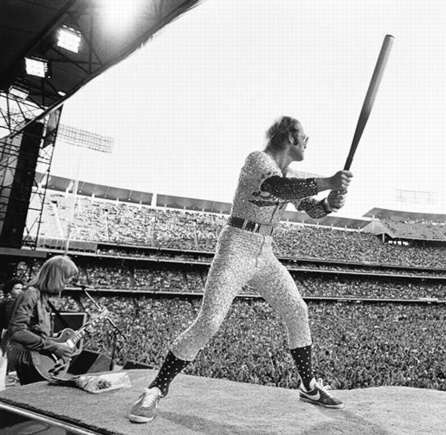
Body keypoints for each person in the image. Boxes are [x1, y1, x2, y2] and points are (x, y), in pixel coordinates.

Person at [128, 116, 353, 423]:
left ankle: (309, 386)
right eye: (304, 137)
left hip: (265, 250)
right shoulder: (257, 160)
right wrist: (328, 182)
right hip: (237, 245)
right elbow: (279, 188)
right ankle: (155, 388)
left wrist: (329, 204)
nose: (307, 143)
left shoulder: (291, 173)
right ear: (289, 137)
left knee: (297, 310)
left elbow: (311, 210)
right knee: (209, 321)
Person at [6, 256, 78, 385]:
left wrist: (58, 347)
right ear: (56, 277)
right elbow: (16, 331)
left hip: (36, 358)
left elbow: (38, 332)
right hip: (27, 359)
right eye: (66, 279)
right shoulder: (31, 294)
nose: (68, 283)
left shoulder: (42, 297)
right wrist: (54, 347)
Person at [0, 278, 25, 390]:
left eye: (21, 289)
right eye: (17, 288)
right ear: (10, 290)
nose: (20, 291)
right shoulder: (9, 303)